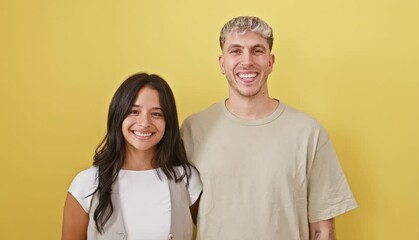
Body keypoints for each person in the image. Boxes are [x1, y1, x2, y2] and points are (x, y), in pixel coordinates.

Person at [181, 16, 357, 240]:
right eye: (235, 51)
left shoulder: (308, 132)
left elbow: (322, 227)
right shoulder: (192, 130)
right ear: (222, 63)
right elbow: (185, 214)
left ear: (271, 62)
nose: (247, 61)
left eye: (257, 51)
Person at [62, 73, 202, 240]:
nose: (144, 123)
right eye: (134, 111)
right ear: (118, 116)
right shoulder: (87, 184)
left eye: (156, 114)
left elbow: (216, 229)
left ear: (168, 122)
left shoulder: (186, 179)